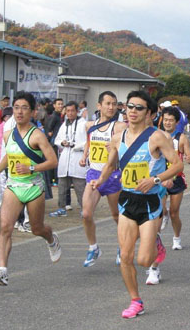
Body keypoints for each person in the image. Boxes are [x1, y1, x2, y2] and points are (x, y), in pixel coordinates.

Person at [89, 90, 183, 318]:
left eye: (138, 108)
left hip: (150, 202)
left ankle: (156, 244)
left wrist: (156, 179)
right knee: (126, 256)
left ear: (149, 113)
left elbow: (177, 165)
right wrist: (99, 180)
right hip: (127, 201)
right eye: (129, 106)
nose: (132, 111)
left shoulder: (157, 137)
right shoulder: (117, 138)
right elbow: (111, 164)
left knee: (144, 260)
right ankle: (135, 300)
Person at [0, 91, 61, 286]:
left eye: (24, 108)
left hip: (34, 186)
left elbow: (52, 161)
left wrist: (31, 168)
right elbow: (9, 156)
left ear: (33, 112)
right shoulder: (8, 134)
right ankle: (3, 270)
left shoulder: (37, 135)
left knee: (36, 228)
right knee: (5, 227)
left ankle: (51, 238)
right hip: (13, 186)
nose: (19, 112)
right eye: (16, 108)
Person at [146, 106, 190, 285]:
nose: (167, 122)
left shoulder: (181, 138)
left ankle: (176, 237)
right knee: (158, 217)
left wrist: (188, 158)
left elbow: (188, 157)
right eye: (165, 120)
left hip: (176, 179)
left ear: (176, 122)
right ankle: (154, 265)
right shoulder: (156, 136)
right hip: (158, 181)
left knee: (174, 212)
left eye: (171, 120)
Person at [79, 91, 127, 267]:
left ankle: (123, 247)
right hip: (94, 173)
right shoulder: (89, 125)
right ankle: (93, 248)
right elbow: (89, 142)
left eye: (114, 104)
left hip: (113, 175)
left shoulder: (119, 127)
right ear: (99, 106)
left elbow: (128, 148)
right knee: (86, 213)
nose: (111, 107)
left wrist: (116, 149)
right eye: (107, 103)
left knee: (117, 215)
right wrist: (85, 156)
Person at [49, 101, 87, 216]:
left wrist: (75, 145)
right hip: (65, 158)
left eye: (72, 111)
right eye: (68, 111)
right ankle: (61, 208)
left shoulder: (83, 124)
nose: (69, 113)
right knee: (62, 187)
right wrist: (63, 142)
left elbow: (87, 142)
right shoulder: (64, 124)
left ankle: (84, 209)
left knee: (80, 187)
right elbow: (57, 140)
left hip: (77, 158)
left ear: (77, 111)